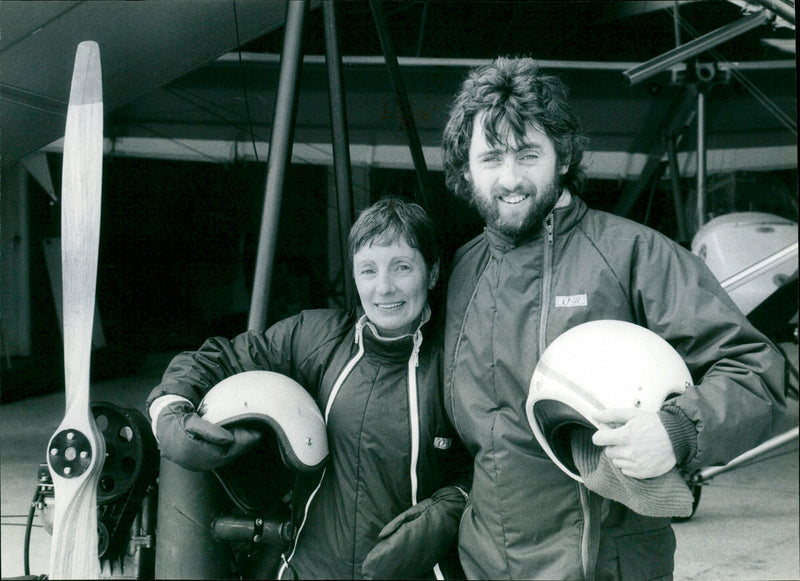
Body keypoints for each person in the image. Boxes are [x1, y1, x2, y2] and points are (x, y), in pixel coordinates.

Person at [440, 56, 786, 580]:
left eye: (527, 154)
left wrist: (676, 431)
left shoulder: (633, 255)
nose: (510, 178)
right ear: (466, 170)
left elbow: (759, 371)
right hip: (483, 563)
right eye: (491, 159)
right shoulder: (462, 271)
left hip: (606, 565)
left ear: (562, 158)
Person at [146, 196, 469, 580]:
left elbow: (505, 456)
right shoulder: (315, 338)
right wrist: (168, 408)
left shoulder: (460, 359)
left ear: (431, 273)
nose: (384, 287)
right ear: (353, 274)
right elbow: (218, 356)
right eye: (368, 270)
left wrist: (456, 504)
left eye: (402, 267)